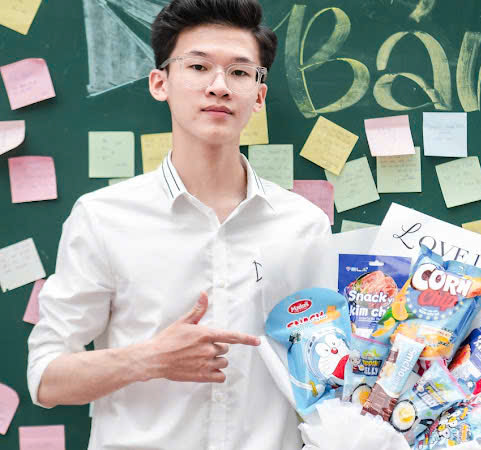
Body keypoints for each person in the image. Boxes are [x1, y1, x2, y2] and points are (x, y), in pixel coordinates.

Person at [27, 1, 331, 449]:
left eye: (240, 72)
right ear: (160, 83)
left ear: (259, 96)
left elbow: (326, 371)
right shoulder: (104, 217)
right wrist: (148, 359)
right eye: (198, 66)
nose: (219, 86)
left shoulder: (304, 225)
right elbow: (46, 379)